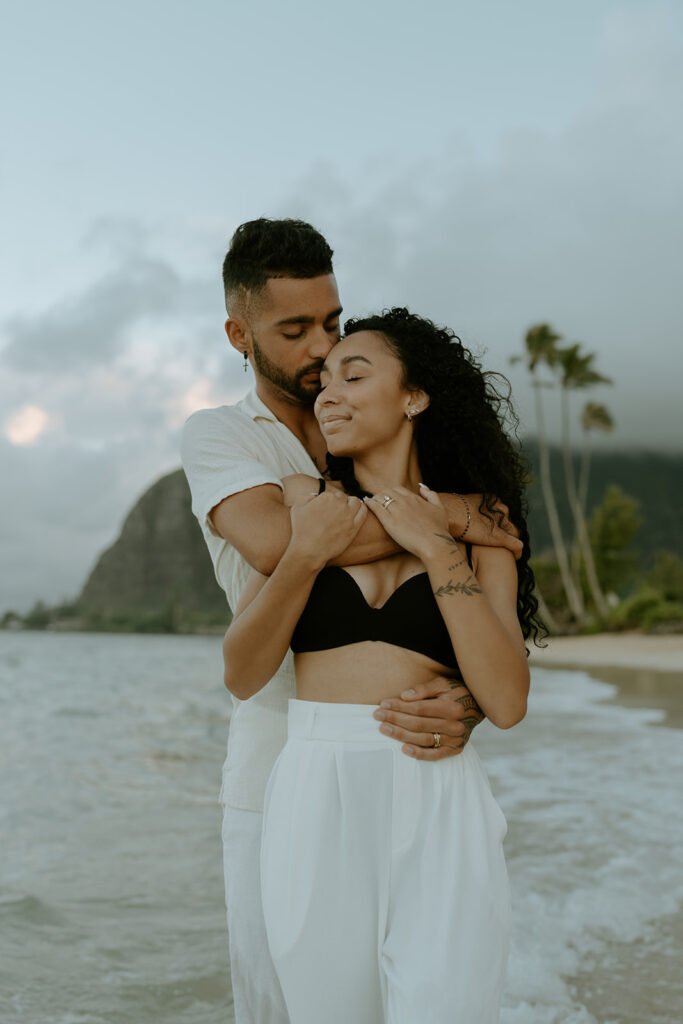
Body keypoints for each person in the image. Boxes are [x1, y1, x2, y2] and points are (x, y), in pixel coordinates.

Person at [181, 219, 523, 1024]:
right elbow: (275, 546)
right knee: (280, 1011)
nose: (319, 356)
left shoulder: (370, 468)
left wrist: (469, 690)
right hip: (279, 772)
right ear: (239, 333)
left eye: (333, 327)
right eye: (295, 331)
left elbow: (499, 679)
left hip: (425, 768)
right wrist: (456, 513)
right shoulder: (226, 436)